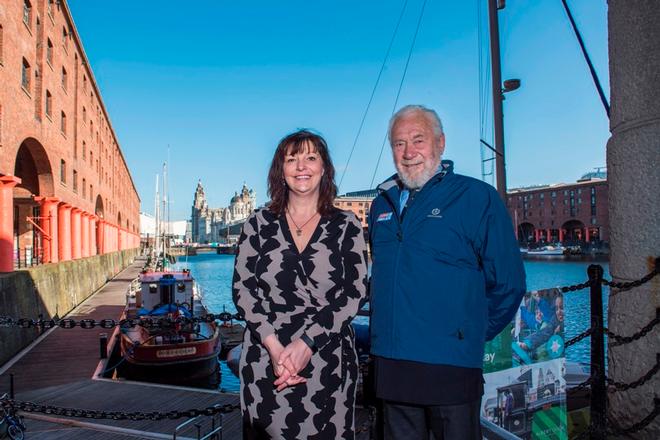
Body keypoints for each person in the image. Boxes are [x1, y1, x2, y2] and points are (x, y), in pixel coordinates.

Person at [368, 105, 526, 439]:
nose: (409, 152)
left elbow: (509, 284)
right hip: (393, 364)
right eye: (399, 143)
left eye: (418, 140)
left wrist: (468, 331)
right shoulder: (380, 204)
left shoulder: (476, 198)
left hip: (451, 365)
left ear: (440, 143)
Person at [233, 129, 368, 439]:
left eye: (310, 157)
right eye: (291, 159)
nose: (301, 167)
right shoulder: (257, 224)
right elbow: (243, 290)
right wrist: (274, 346)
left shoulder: (346, 225)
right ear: (280, 170)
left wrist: (307, 343)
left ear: (324, 168)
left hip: (327, 362)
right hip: (266, 360)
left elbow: (354, 291)